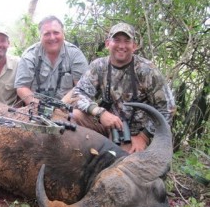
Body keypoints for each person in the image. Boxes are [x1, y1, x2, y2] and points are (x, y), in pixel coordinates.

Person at [69, 22, 176, 153]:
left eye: (127, 41)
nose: (121, 46)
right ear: (108, 43)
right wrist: (99, 112)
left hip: (133, 134)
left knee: (119, 160)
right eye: (117, 40)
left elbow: (168, 108)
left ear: (134, 46)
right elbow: (77, 94)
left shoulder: (147, 70)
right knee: (73, 116)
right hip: (106, 124)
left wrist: (144, 136)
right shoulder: (99, 66)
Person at [14, 15, 88, 105]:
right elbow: (22, 88)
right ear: (40, 36)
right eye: (47, 34)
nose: (52, 38)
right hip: (36, 107)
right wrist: (42, 108)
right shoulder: (29, 56)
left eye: (56, 33)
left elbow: (81, 86)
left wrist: (60, 107)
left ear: (63, 34)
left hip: (67, 108)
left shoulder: (75, 54)